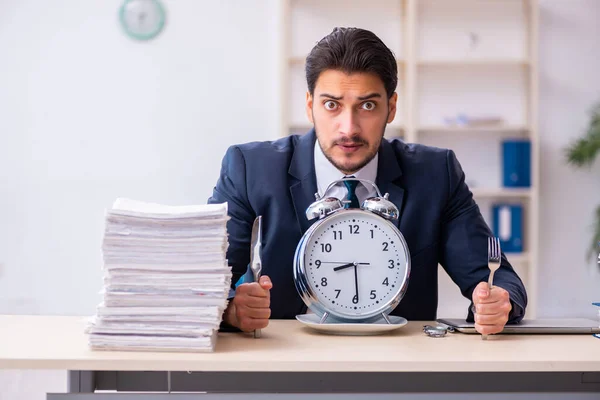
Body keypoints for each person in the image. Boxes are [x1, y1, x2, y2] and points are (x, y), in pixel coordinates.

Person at [207, 27, 527, 335]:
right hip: (283, 367)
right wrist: (233, 310)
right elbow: (205, 282)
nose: (349, 128)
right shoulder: (249, 169)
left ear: (391, 108)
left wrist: (498, 304)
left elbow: (498, 280)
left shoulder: (435, 173)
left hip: (399, 371)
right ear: (310, 106)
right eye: (332, 105)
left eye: (368, 105)